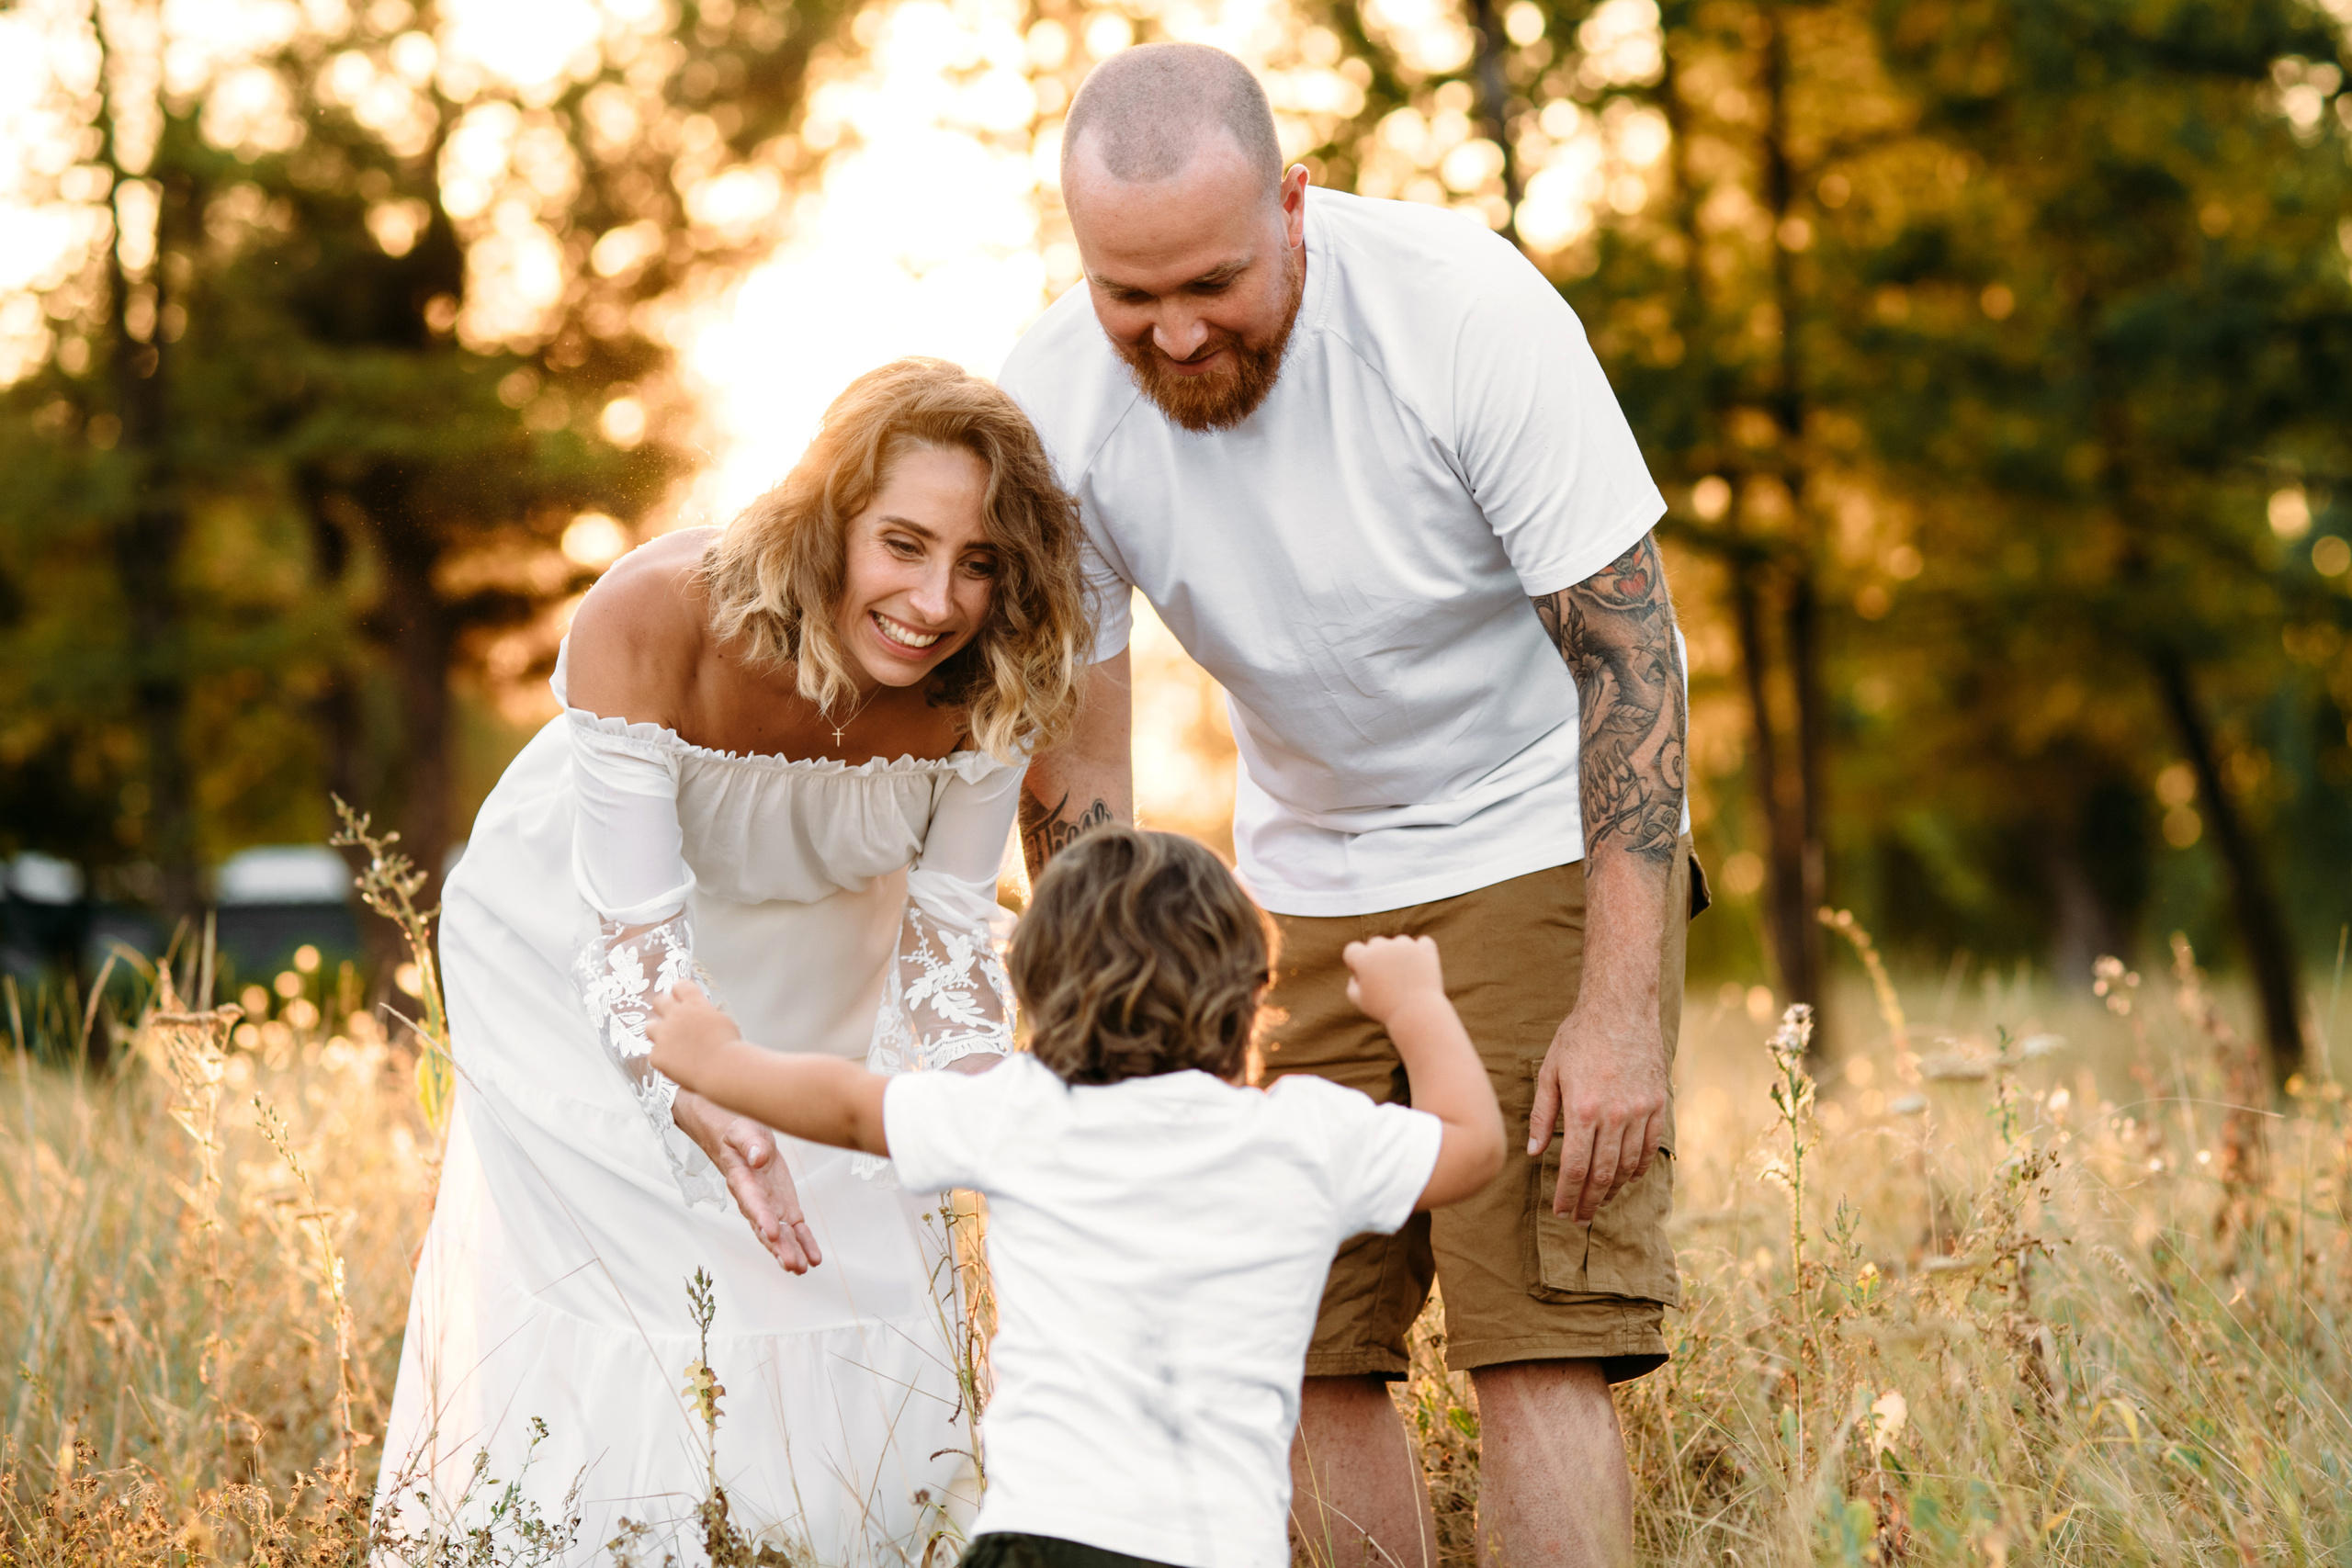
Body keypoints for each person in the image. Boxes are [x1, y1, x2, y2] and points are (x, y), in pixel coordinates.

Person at [997, 42, 1705, 1568]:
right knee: (1293, 1333)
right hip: (1300, 880)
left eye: (1213, 280)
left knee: (1535, 1334)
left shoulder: (1462, 310)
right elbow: (1084, 768)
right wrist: (1106, 1061)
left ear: (1294, 204)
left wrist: (1621, 1005)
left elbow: (1633, 656)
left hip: (1533, 832)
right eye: (1132, 297)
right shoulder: (1052, 403)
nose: (1177, 331)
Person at [373, 358, 1091, 1562]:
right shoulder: (654, 613)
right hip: (587, 949)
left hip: (825, 954)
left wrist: (981, 1126)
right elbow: (635, 944)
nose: (936, 598)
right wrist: (706, 1099)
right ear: (826, 517)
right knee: (659, 1271)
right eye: (903, 543)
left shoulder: (996, 668)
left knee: (854, 1238)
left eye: (979, 561)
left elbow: (950, 939)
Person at [643, 827, 1508, 1568]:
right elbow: (1472, 1147)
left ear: (1041, 991)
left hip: (1046, 1532)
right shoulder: (1302, 1136)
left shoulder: (1022, 1112)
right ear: (1250, 995)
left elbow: (845, 1104)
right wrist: (1418, 1006)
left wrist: (716, 1061)